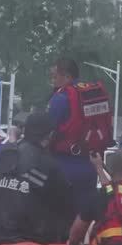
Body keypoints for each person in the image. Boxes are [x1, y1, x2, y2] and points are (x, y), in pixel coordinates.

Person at [0, 113, 73, 245]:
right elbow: (67, 207)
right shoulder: (48, 165)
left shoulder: (0, 157)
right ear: (50, 135)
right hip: (29, 242)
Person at [46, 58, 99, 235]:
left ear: (67, 76)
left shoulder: (61, 98)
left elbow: (48, 131)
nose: (52, 80)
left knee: (59, 221)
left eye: (54, 76)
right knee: (83, 217)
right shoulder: (91, 95)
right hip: (89, 165)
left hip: (63, 166)